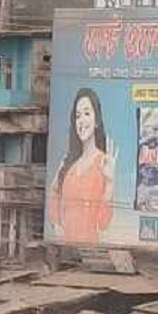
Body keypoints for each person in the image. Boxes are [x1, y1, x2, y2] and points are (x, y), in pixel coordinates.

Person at [50, 87, 116, 244]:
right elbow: (53, 195)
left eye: (87, 113)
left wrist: (110, 182)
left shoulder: (104, 163)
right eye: (78, 116)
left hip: (91, 245)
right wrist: (55, 225)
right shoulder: (68, 162)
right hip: (67, 246)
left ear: (97, 121)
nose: (82, 121)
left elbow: (103, 223)